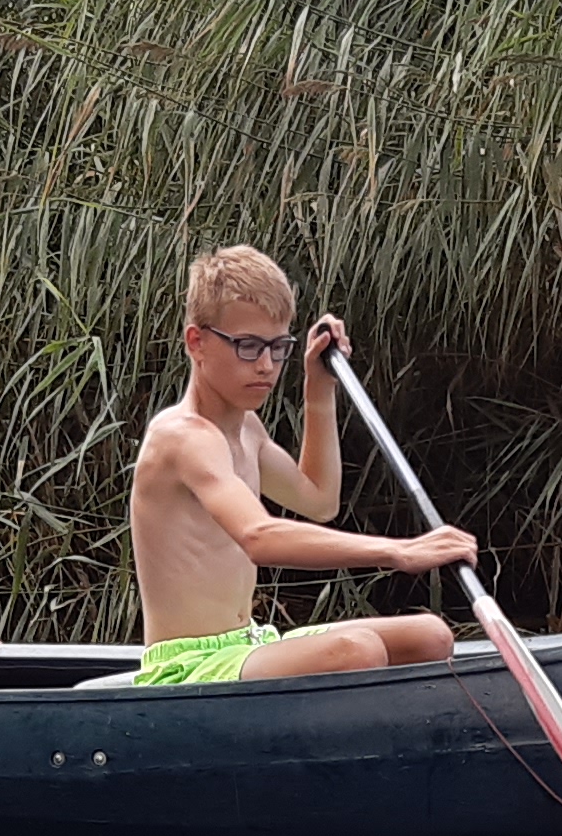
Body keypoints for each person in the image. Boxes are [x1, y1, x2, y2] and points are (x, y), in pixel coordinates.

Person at [126, 245, 473, 684]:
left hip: (249, 643)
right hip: (186, 667)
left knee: (430, 636)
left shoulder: (248, 430)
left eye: (278, 347)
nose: (267, 366)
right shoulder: (183, 436)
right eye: (248, 347)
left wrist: (318, 386)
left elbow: (318, 499)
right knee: (357, 651)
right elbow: (259, 537)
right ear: (197, 342)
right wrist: (397, 550)